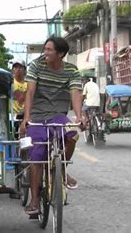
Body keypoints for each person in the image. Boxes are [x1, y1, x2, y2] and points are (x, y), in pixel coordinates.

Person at [20, 37, 85, 215]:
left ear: (60, 54)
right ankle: (34, 200)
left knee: (72, 135)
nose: (45, 53)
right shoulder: (36, 66)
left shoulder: (71, 70)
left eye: (49, 50)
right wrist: (26, 118)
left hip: (59, 115)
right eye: (45, 49)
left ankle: (62, 171)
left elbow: (75, 93)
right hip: (38, 116)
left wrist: (79, 117)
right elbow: (30, 92)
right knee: (37, 156)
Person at [9, 58, 27, 137]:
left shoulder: (29, 84)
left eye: (20, 67)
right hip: (12, 116)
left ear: (24, 70)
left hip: (25, 116)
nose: (18, 70)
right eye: (15, 67)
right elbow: (19, 98)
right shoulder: (10, 82)